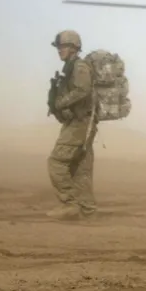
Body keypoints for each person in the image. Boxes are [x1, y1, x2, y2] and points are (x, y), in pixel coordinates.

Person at [46, 30, 98, 220]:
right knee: (80, 168)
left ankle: (70, 204)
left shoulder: (79, 66)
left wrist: (62, 102)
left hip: (79, 124)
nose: (59, 50)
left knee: (56, 162)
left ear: (73, 48)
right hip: (82, 123)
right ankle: (87, 210)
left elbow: (83, 89)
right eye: (58, 47)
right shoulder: (71, 67)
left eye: (63, 47)